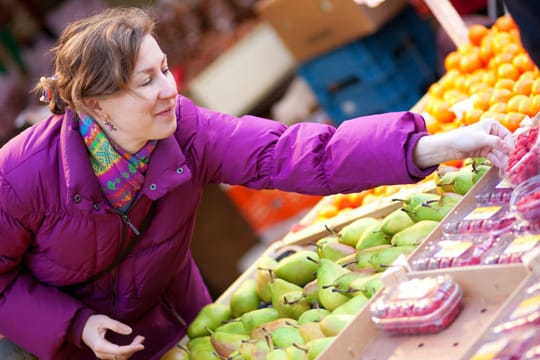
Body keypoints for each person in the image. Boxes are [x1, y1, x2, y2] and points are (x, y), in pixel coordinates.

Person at [0, 6, 513, 360]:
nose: (168, 92)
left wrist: (427, 146)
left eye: (165, 71)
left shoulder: (186, 130)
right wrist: (74, 325)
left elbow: (296, 153)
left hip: (182, 320)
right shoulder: (22, 175)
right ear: (94, 104)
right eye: (145, 82)